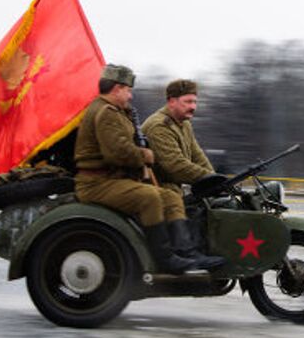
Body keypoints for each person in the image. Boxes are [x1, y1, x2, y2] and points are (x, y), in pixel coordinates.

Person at [74, 65, 223, 274]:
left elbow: (197, 155)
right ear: (117, 88)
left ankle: (187, 253)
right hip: (97, 183)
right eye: (128, 90)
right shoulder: (106, 112)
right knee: (150, 197)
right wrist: (144, 155)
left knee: (171, 198)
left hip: (112, 180)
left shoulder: (116, 112)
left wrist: (213, 178)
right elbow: (116, 153)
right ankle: (165, 259)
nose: (130, 96)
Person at [141, 79, 226, 265]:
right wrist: (209, 179)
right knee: (196, 209)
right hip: (161, 188)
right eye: (187, 102)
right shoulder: (159, 126)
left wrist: (215, 180)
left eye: (195, 102)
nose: (193, 107)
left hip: (174, 186)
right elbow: (175, 165)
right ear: (171, 101)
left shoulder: (183, 123)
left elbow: (197, 155)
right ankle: (189, 254)